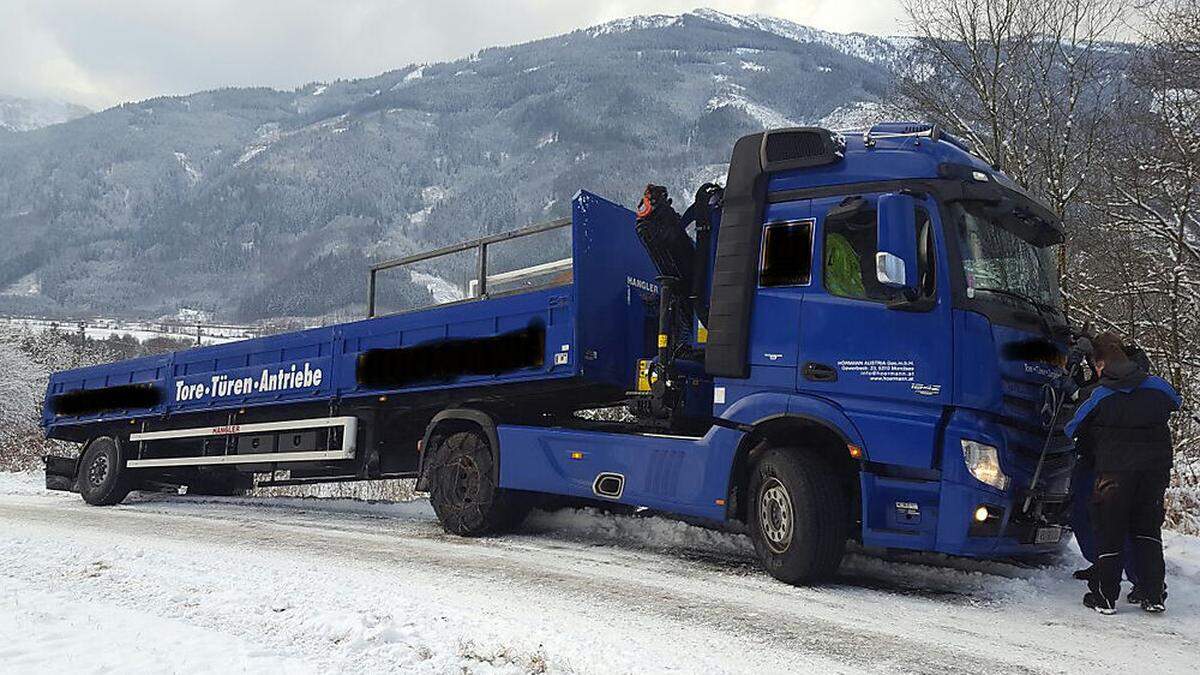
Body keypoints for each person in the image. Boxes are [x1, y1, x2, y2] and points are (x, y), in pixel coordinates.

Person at [1065, 332, 1181, 615]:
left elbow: (1072, 427)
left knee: (1110, 530)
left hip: (1114, 473)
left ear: (1101, 364)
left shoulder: (1100, 394)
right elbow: (1175, 402)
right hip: (1154, 472)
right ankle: (1153, 594)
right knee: (1147, 531)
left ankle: (1105, 597)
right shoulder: (1157, 386)